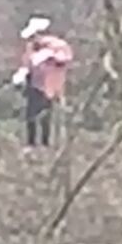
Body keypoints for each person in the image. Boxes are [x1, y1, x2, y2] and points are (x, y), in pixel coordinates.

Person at [13, 17, 74, 151]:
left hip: (50, 85)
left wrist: (50, 56)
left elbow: (65, 59)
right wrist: (21, 74)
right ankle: (31, 143)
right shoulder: (32, 47)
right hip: (33, 84)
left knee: (46, 115)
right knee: (31, 114)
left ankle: (46, 143)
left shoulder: (58, 46)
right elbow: (27, 62)